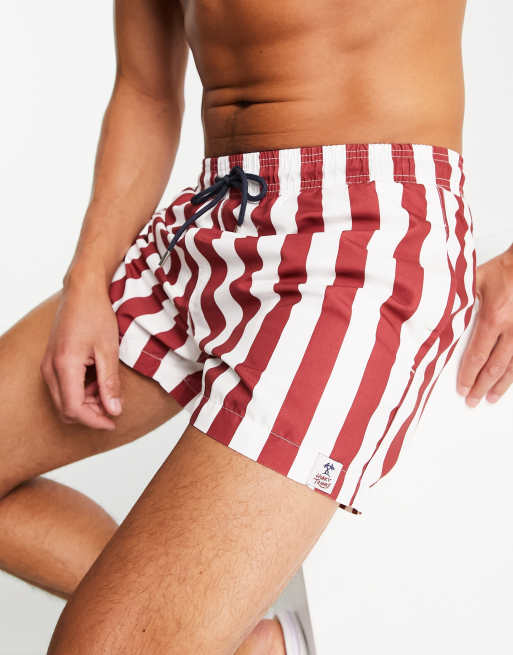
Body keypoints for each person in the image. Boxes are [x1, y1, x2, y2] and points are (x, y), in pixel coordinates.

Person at [1, 1, 512, 653]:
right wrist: (87, 279)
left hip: (360, 238)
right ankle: (245, 644)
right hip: (215, 212)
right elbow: (146, 91)